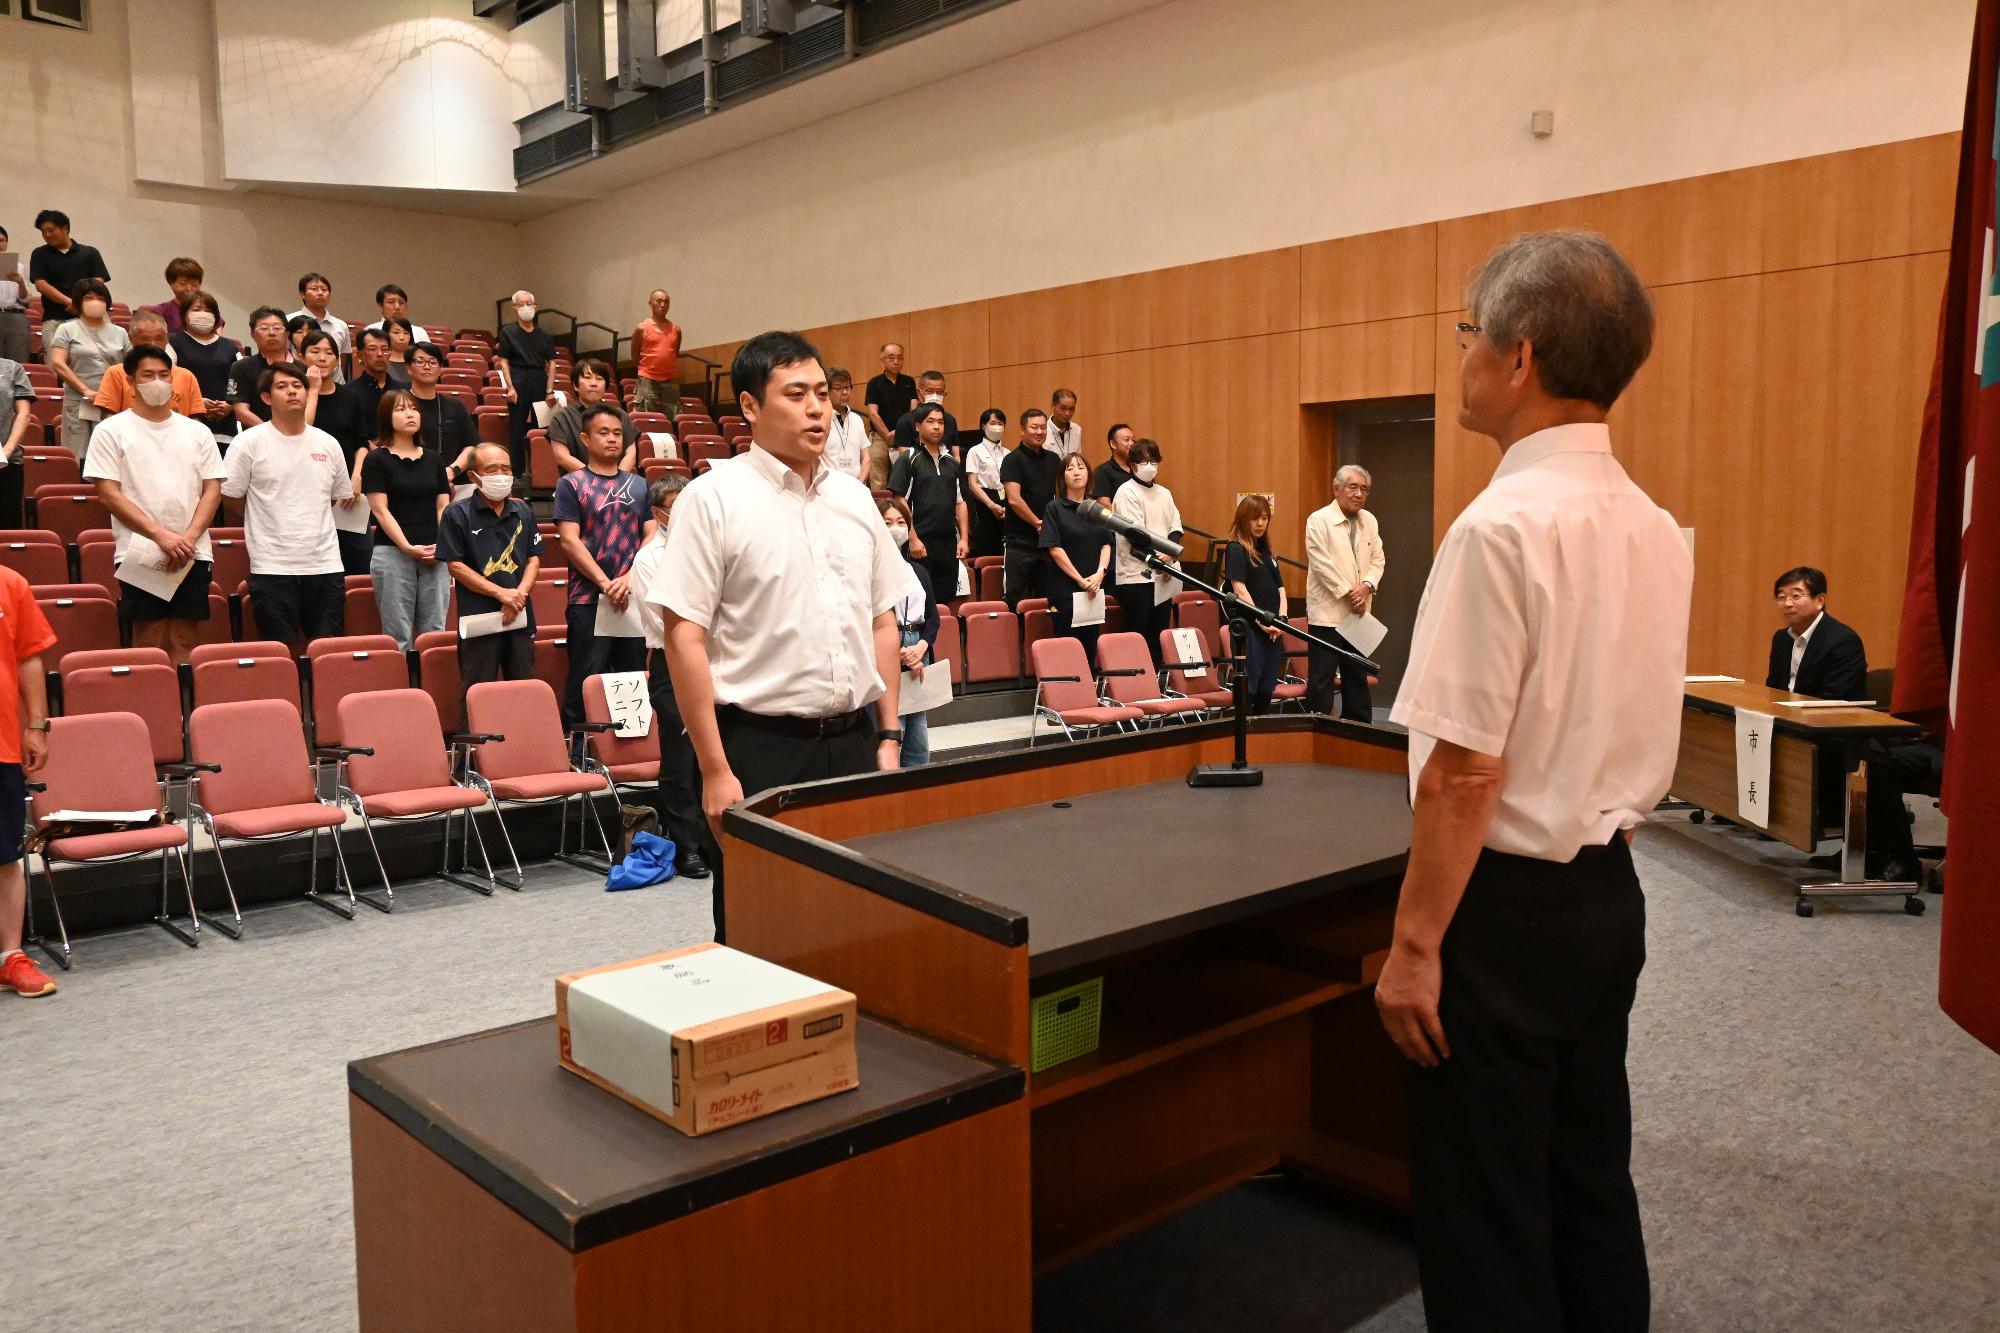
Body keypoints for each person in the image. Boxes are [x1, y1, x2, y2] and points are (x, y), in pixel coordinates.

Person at [1373, 230, 1690, 1333]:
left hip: (1497, 916)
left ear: (1516, 356)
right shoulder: (1654, 526)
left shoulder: (1496, 529)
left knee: (1486, 1214)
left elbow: (1462, 772)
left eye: (1466, 334)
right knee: (1586, 1175)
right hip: (1607, 890)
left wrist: (1414, 950)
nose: (1457, 354)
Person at [649, 330, 915, 942]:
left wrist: (890, 734)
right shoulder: (712, 499)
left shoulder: (853, 497)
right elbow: (682, 637)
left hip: (852, 741)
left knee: (854, 922)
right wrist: (714, 769)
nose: (817, 407)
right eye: (796, 394)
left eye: (822, 392)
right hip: (760, 747)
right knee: (761, 930)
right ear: (749, 407)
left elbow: (881, 618)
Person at [83, 344, 226, 664]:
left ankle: (185, 711)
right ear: (131, 382)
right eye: (148, 375)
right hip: (141, 548)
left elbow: (212, 490)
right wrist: (160, 535)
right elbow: (108, 493)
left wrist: (187, 538)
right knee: (148, 638)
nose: (158, 381)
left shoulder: (197, 431)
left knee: (185, 637)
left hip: (193, 549)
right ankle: (152, 708)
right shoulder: (110, 431)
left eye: (164, 375)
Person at [220, 362, 356, 649]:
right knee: (278, 650)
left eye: (298, 386)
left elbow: (333, 496)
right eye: (282, 387)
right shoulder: (248, 442)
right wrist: (262, 516)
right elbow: (230, 494)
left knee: (327, 650)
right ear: (267, 398)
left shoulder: (328, 443)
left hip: (325, 563)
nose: (292, 392)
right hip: (272, 565)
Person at [628, 472, 709, 878]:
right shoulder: (648, 559)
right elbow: (665, 624)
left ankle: (712, 839)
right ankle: (686, 846)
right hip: (671, 662)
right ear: (659, 514)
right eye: (677, 508)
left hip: (712, 661)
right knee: (680, 759)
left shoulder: (708, 549)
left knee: (711, 753)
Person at [555, 404, 654, 727]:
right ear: (585, 438)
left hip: (630, 596)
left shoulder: (639, 485)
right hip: (588, 599)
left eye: (617, 433)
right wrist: (605, 583)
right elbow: (569, 540)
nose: (612, 439)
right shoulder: (571, 484)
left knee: (633, 677)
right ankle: (578, 751)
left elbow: (652, 534)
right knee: (587, 677)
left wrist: (627, 577)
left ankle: (631, 747)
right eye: (603, 433)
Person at [437, 445, 541, 693]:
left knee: (523, 690)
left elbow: (534, 559)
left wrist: (518, 595)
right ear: (474, 477)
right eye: (491, 469)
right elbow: (455, 566)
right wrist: (500, 593)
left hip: (519, 615)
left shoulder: (523, 511)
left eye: (506, 468)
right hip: (479, 619)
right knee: (478, 691)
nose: (501, 474)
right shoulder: (456, 513)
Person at [0, 564, 56, 999]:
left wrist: (37, 724)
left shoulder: (10, 582)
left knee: (4, 857)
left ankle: (11, 957)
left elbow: (29, 656)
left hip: (1, 744)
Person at [362, 391, 451, 650]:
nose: (410, 414)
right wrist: (406, 547)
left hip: (435, 553)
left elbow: (443, 506)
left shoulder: (434, 459)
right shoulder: (376, 459)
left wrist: (443, 546)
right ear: (386, 418)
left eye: (413, 409)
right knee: (397, 634)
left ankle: (431, 687)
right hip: (392, 552)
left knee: (434, 633)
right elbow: (380, 510)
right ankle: (403, 688)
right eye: (400, 410)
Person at [1304, 464, 1387, 721]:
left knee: (1357, 678)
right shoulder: (1318, 520)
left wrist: (1367, 587)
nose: (1359, 494)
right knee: (1321, 679)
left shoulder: (1369, 520)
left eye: (1364, 489)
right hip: (1327, 615)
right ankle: (1316, 737)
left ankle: (1359, 735)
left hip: (1359, 614)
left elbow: (1378, 559)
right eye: (1353, 487)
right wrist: (1350, 593)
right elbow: (1321, 564)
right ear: (1336, 489)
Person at [1110, 438, 1182, 663]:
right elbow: (1136, 535)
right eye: (1144, 462)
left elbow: (1175, 527)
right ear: (1132, 465)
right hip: (1136, 576)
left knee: (1158, 634)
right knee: (1137, 633)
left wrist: (1169, 555)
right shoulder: (1126, 492)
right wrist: (1159, 558)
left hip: (1164, 573)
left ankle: (1158, 681)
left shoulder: (1165, 493)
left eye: (1153, 461)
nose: (1150, 467)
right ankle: (1135, 683)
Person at [879, 494, 938, 767]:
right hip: (889, 646)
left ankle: (918, 779)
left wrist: (922, 647)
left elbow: (933, 618)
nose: (896, 527)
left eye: (901, 522)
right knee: (895, 722)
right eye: (888, 522)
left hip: (918, 645)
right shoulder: (871, 572)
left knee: (918, 723)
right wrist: (899, 651)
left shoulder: (918, 571)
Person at [887, 402, 968, 600]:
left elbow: (961, 502)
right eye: (930, 421)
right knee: (921, 603)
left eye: (941, 422)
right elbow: (899, 501)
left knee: (946, 601)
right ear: (917, 426)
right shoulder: (908, 459)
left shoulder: (951, 462)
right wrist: (913, 539)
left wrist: (964, 538)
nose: (937, 427)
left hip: (948, 541)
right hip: (920, 542)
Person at [1039, 452, 1114, 665]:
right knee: (1067, 648)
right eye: (1070, 468)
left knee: (1090, 648)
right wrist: (1080, 580)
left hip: (1094, 589)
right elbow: (1054, 549)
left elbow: (1106, 544)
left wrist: (1100, 574)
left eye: (1081, 467)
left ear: (1089, 474)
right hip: (1065, 590)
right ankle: (1067, 697)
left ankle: (1088, 694)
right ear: (1063, 478)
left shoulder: (1096, 509)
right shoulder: (1054, 508)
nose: (1076, 472)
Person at [45, 278, 130, 459]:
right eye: (88, 298)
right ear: (78, 302)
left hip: (112, 402)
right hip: (79, 400)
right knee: (78, 453)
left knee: (110, 453)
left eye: (100, 298)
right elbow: (59, 364)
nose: (95, 302)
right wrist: (86, 390)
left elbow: (129, 366)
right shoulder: (66, 329)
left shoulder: (120, 332)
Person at [1224, 494, 1288, 713]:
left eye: (1264, 518)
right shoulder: (1235, 548)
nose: (1261, 523)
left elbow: (1281, 589)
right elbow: (1239, 590)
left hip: (1273, 629)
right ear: (1244, 519)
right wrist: (1262, 621)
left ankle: (1260, 739)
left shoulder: (1267, 551)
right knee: (1249, 687)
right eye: (1255, 518)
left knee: (1266, 688)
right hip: (1251, 628)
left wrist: (1282, 621)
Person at [1766, 566, 1867, 699]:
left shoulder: (1843, 642)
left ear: (1820, 600)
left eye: (1796, 596)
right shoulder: (1781, 638)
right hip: (1784, 716)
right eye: (1781, 597)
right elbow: (1773, 690)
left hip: (1825, 717)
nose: (1787, 603)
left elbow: (1835, 699)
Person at [1000, 408, 1063, 606]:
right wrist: (1038, 523)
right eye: (1034, 427)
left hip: (1048, 542)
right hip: (1020, 543)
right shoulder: (1012, 459)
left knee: (1049, 599)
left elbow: (1060, 496)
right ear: (1022, 430)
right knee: (1015, 599)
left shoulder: (1054, 460)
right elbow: (1014, 500)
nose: (1039, 432)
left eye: (1043, 427)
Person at [91, 309, 201, 417]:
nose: (152, 344)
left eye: (159, 338)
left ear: (167, 339)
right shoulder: (116, 373)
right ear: (131, 338)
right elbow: (108, 416)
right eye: (145, 338)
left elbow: (195, 419)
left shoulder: (187, 376)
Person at [169, 291, 240, 445]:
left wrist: (230, 405)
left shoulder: (230, 346)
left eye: (208, 311)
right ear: (184, 315)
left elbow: (242, 381)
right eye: (196, 309)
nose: (203, 314)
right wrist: (198, 402)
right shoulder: (173, 341)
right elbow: (168, 377)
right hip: (186, 423)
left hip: (226, 425)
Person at [497, 289, 555, 474]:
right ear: (515, 308)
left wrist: (550, 390)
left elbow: (552, 363)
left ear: (535, 306)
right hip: (518, 379)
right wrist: (510, 388)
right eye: (521, 304)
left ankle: (541, 471)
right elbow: (503, 361)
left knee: (541, 428)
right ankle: (517, 472)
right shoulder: (508, 332)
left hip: (539, 378)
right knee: (517, 428)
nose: (526, 308)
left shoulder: (544, 335)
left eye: (529, 304)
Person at [545, 357, 636, 474]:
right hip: (577, 485)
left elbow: (631, 453)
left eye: (599, 379)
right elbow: (562, 457)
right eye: (587, 378)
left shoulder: (620, 415)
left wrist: (616, 480)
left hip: (617, 487)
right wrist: (595, 479)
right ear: (575, 385)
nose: (594, 383)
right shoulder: (562, 417)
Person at [27, 210, 109, 322]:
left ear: (65, 228)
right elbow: (41, 284)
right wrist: (70, 303)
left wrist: (81, 304)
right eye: (43, 232)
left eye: (51, 230)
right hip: (54, 318)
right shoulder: (39, 254)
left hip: (88, 316)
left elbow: (98, 281)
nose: (47, 235)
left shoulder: (90, 252)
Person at [406, 342, 477, 462]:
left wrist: (452, 471)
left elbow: (472, 445)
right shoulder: (398, 404)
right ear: (408, 368)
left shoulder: (455, 407)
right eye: (420, 361)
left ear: (440, 370)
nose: (427, 366)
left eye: (433, 362)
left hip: (451, 476)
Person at [227, 307, 294, 428]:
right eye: (264, 328)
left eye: (277, 328)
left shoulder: (302, 368)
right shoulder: (242, 367)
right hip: (257, 439)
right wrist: (271, 434)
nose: (272, 333)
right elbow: (241, 412)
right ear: (253, 335)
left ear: (287, 334)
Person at [864, 341, 915, 482]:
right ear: (882, 360)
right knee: (878, 479)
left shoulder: (909, 381)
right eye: (891, 358)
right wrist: (887, 435)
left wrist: (899, 432)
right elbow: (873, 413)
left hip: (904, 436)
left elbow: (914, 411)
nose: (896, 361)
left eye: (900, 357)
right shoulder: (873, 383)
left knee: (904, 478)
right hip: (880, 436)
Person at [964, 408, 1009, 559]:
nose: (997, 427)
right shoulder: (974, 451)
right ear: (983, 426)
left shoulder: (1008, 453)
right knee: (986, 544)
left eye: (1000, 423)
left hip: (1005, 499)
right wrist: (991, 505)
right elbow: (972, 484)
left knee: (1004, 544)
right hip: (984, 500)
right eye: (993, 423)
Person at [1, 350, 38, 528]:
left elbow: (24, 413)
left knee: (7, 523)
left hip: (7, 461)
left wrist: (7, 450)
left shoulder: (12, 368)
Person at [632, 288, 683, 416]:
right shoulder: (642, 328)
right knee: (646, 417)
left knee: (675, 416)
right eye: (658, 301)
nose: (662, 305)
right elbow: (634, 355)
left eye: (666, 302)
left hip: (670, 378)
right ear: (650, 303)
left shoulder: (676, 329)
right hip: (647, 378)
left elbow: (674, 353)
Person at [291, 273, 350, 367]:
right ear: (302, 294)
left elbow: (343, 358)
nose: (320, 293)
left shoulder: (340, 325)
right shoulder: (290, 320)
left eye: (324, 289)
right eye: (314, 289)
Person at [822, 367, 870, 482]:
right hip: (829, 487)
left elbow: (866, 458)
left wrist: (860, 483)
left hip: (856, 485)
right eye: (838, 388)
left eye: (847, 387)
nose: (844, 392)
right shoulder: (820, 420)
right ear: (827, 391)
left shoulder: (857, 419)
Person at [892, 370, 957, 454]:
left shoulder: (950, 420)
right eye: (930, 391)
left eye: (939, 392)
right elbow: (905, 457)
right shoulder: (905, 420)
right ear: (919, 393)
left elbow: (956, 455)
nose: (935, 395)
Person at [142, 257, 205, 337]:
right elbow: (157, 341)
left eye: (194, 284)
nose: (189, 289)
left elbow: (217, 338)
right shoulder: (159, 312)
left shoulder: (207, 310)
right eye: (183, 283)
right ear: (171, 284)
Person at [347, 326, 395, 427]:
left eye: (385, 350)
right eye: (372, 349)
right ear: (360, 355)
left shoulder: (404, 389)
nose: (380, 354)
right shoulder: (349, 392)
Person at [0, 225, 29, 364]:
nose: (0, 244)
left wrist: (21, 283)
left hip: (15, 314)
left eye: (2, 240)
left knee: (18, 361)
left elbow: (25, 298)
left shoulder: (19, 266)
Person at [1090, 423, 1136, 503]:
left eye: (1133, 440)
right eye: (1127, 440)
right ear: (1113, 444)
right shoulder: (1102, 472)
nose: (1132, 443)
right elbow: (1104, 505)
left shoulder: (1140, 468)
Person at [382, 316, 417, 387]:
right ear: (386, 334)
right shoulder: (380, 360)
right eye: (396, 332)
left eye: (406, 333)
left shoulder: (418, 361)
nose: (402, 337)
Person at [1046, 389, 1082, 459]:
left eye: (1071, 409)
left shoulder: (1077, 429)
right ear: (1053, 406)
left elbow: (1077, 457)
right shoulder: (1043, 430)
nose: (1067, 413)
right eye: (1063, 408)